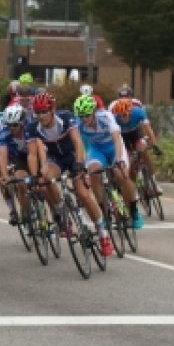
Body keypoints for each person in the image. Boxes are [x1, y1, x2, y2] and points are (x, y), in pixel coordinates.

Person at [24, 91, 112, 256]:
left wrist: (79, 165)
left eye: (44, 111)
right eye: (38, 112)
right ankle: (62, 214)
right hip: (55, 158)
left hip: (72, 155)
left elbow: (78, 142)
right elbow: (32, 154)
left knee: (83, 194)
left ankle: (103, 234)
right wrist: (34, 176)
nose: (41, 116)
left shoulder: (65, 117)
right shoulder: (32, 127)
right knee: (46, 178)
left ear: (52, 109)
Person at [73, 94, 142, 232]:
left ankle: (134, 210)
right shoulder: (78, 124)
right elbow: (79, 145)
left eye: (87, 115)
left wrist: (119, 160)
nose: (84, 119)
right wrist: (82, 166)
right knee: (94, 172)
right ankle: (105, 214)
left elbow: (116, 139)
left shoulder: (105, 116)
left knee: (121, 174)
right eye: (81, 116)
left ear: (94, 112)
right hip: (97, 149)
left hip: (114, 146)